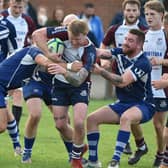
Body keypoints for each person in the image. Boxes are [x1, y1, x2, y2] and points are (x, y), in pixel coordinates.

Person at [82, 28, 155, 168]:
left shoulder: (143, 63)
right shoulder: (121, 51)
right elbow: (101, 52)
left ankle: (115, 161)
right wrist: (80, 44)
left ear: (139, 45)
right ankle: (93, 162)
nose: (125, 43)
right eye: (126, 39)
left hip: (144, 105)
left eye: (130, 41)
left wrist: (101, 71)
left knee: (126, 118)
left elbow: (122, 82)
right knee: (92, 119)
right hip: (123, 103)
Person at [32, 19, 97, 168]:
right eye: (71, 38)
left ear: (85, 35)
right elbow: (37, 34)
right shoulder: (64, 33)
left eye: (77, 39)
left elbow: (79, 80)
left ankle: (76, 160)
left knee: (79, 122)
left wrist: (64, 71)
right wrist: (49, 54)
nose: (73, 42)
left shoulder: (90, 51)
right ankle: (80, 145)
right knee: (60, 125)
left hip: (80, 86)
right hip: (60, 86)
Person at [21, 14, 84, 164]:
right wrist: (48, 54)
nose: (70, 30)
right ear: (62, 25)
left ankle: (72, 155)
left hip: (55, 84)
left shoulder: (76, 45)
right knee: (35, 114)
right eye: (67, 25)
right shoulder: (49, 38)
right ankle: (27, 152)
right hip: (35, 80)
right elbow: (36, 51)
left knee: (64, 121)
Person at [100, 0, 148, 154]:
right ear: (123, 11)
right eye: (128, 10)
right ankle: (132, 143)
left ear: (139, 12)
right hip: (119, 75)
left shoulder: (144, 31)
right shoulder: (115, 29)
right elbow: (104, 45)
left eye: (134, 10)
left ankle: (144, 147)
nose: (131, 13)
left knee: (134, 110)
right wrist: (103, 61)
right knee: (128, 108)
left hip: (139, 78)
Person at [128, 1, 168, 167]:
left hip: (162, 88)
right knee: (131, 118)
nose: (149, 17)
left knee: (159, 126)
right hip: (143, 87)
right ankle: (141, 145)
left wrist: (161, 61)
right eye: (147, 14)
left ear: (162, 15)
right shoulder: (142, 35)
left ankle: (160, 154)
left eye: (153, 14)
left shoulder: (166, 35)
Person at [1, 0, 36, 134]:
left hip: (22, 61)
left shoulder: (28, 20)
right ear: (9, 4)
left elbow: (33, 38)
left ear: (24, 7)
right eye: (15, 7)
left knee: (17, 93)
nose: (17, 10)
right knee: (5, 96)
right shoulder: (3, 18)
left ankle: (15, 127)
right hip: (5, 61)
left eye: (20, 7)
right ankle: (6, 122)